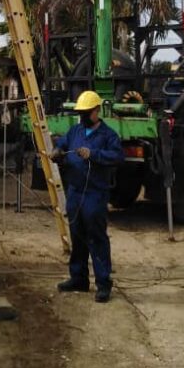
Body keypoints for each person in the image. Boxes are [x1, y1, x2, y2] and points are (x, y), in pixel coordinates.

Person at [51, 89, 124, 303]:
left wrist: (94, 154)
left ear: (96, 111)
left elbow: (118, 156)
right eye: (80, 112)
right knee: (78, 235)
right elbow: (63, 144)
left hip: (95, 193)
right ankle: (79, 278)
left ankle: (103, 284)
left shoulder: (108, 135)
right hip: (75, 192)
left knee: (96, 237)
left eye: (86, 112)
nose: (83, 116)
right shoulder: (75, 131)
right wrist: (57, 151)